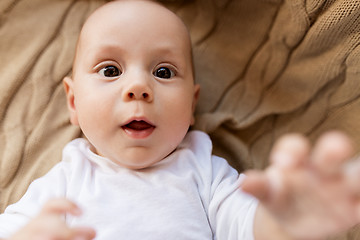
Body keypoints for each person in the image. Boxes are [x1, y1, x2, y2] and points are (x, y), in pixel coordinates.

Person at [0, 0, 360, 239]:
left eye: (164, 71)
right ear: (73, 101)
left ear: (191, 106)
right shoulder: (67, 177)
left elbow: (246, 226)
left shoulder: (204, 170)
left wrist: (283, 220)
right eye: (110, 70)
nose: (139, 87)